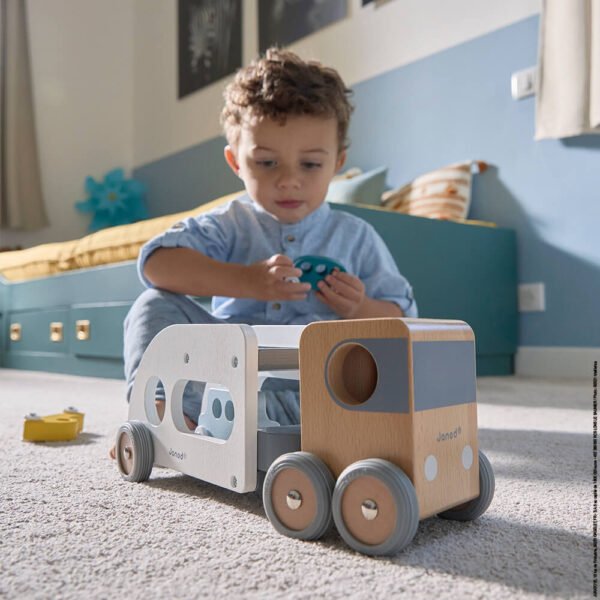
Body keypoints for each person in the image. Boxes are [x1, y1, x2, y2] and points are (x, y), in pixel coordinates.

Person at [114, 48, 417, 456]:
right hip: (223, 380)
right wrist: (246, 282)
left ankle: (296, 433)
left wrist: (359, 306)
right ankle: (164, 419)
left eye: (310, 165)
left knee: (380, 363)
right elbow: (157, 265)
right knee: (152, 305)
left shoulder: (356, 236)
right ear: (236, 163)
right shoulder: (229, 223)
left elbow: (402, 319)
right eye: (267, 162)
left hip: (319, 388)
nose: (289, 180)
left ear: (337, 164)